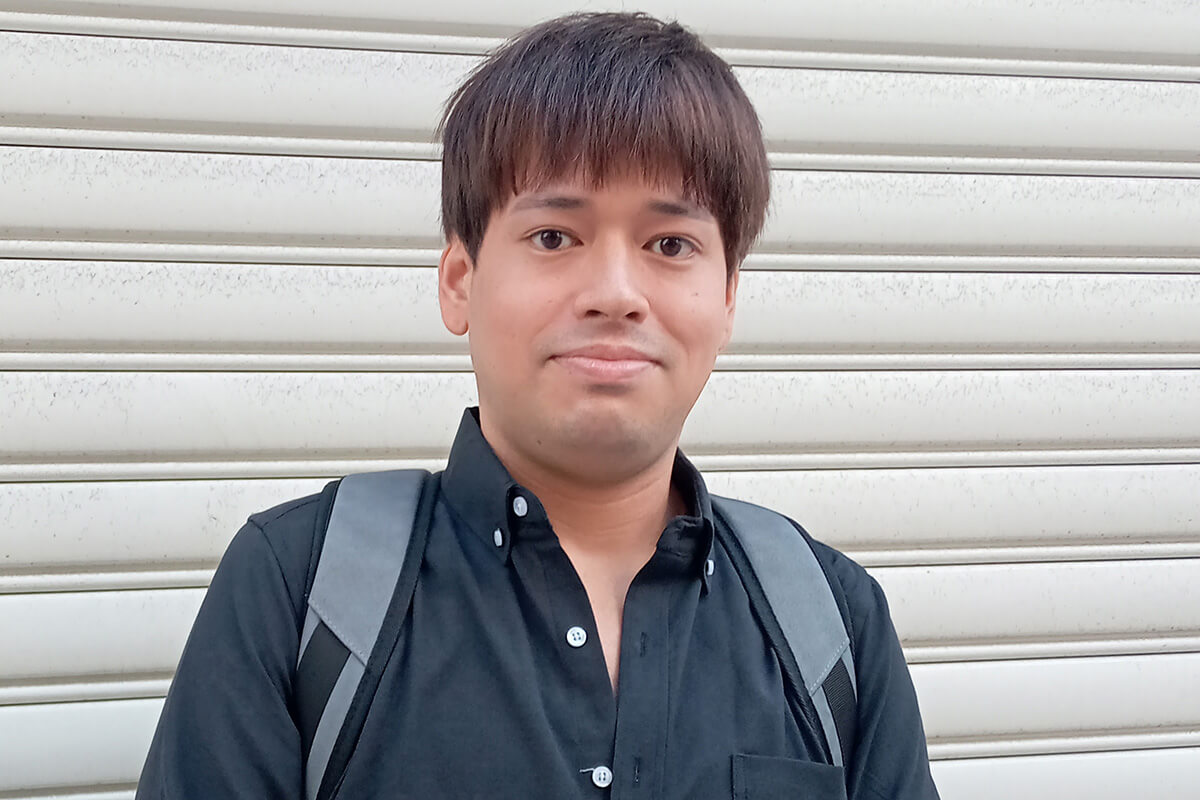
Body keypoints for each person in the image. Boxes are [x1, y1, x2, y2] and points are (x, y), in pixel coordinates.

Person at [137, 11, 939, 799]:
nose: (615, 294)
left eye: (670, 245)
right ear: (460, 282)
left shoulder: (833, 625)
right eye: (555, 236)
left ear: (728, 298)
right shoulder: (300, 592)